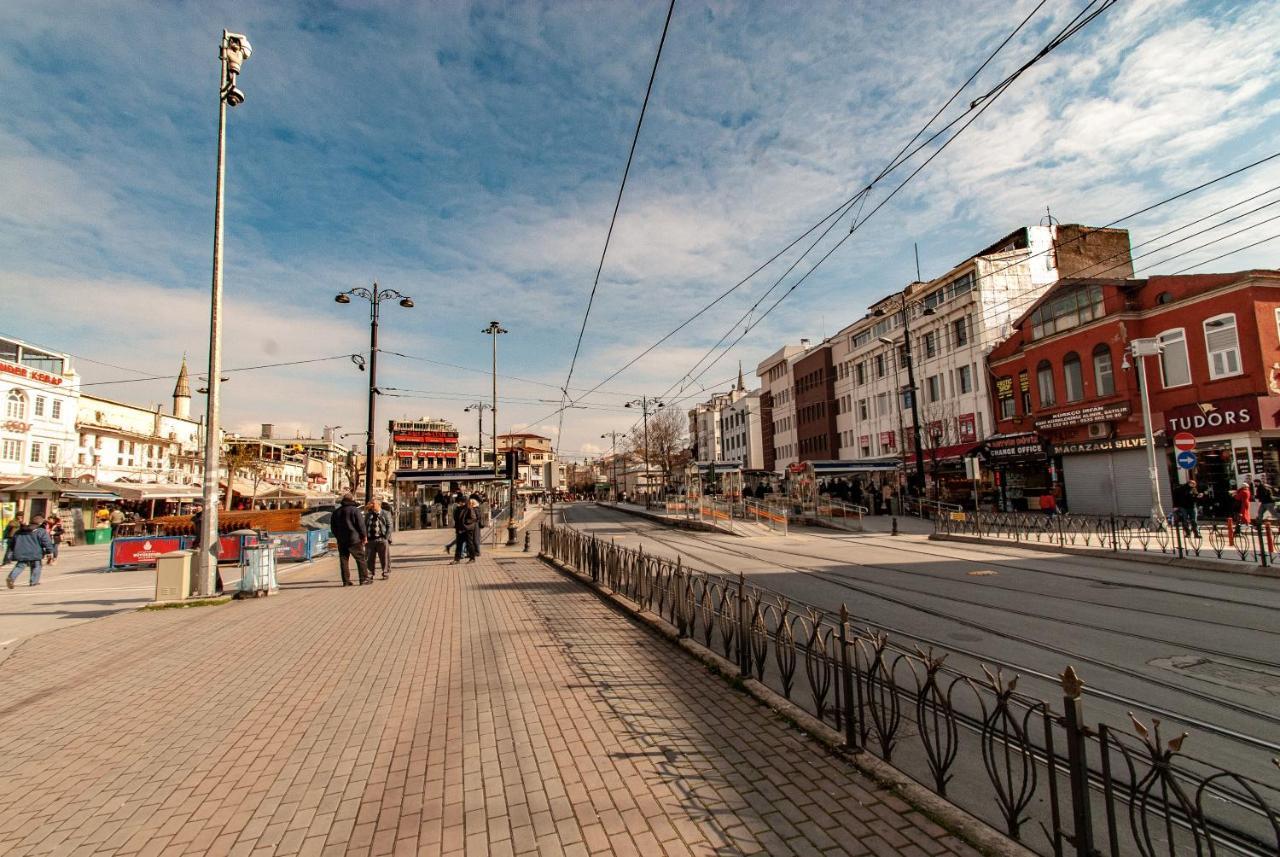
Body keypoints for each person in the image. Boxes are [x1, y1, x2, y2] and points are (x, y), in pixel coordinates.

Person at [330, 493, 369, 585]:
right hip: (354, 539)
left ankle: (346, 581)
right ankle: (363, 579)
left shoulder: (336, 512)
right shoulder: (355, 510)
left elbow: (333, 527)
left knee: (343, 560)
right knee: (360, 559)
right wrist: (364, 536)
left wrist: (338, 536)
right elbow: (361, 525)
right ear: (352, 499)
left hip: (342, 540)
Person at [6, 514, 54, 589]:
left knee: (20, 566)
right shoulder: (40, 531)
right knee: (36, 566)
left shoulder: (19, 531)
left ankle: (11, 578)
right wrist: (49, 551)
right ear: (40, 523)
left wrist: (11, 551)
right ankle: (33, 582)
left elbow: (13, 542)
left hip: (21, 552)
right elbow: (46, 542)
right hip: (35, 552)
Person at [365, 500, 393, 580]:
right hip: (370, 540)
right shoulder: (368, 514)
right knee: (370, 558)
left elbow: (389, 525)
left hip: (381, 539)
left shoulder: (385, 513)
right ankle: (370, 573)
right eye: (371, 504)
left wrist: (386, 538)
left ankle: (385, 572)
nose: (372, 505)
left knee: (384, 557)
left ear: (378, 505)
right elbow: (365, 526)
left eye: (373, 504)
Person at [452, 497, 481, 564]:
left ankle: (472, 558)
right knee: (459, 545)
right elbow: (455, 518)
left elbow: (473, 518)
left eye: (461, 502)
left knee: (469, 544)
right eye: (459, 502)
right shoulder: (458, 509)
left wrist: (465, 523)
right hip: (460, 529)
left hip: (467, 529)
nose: (460, 503)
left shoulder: (469, 508)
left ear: (464, 502)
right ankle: (457, 559)